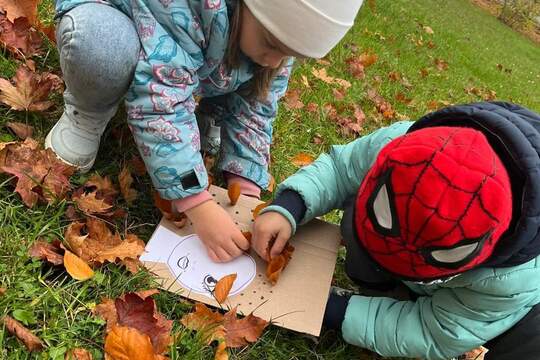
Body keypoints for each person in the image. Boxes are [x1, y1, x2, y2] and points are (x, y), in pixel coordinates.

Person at [46, 0, 365, 263]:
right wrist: (197, 204)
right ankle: (89, 109)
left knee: (248, 64)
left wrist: (246, 187)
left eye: (289, 54)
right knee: (102, 51)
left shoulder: (272, 37)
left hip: (186, 55)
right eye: (271, 45)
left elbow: (257, 106)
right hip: (110, 20)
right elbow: (161, 101)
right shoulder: (184, 8)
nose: (276, 60)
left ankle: (205, 117)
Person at [252, 102, 540, 360]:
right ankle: (379, 288)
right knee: (363, 227)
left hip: (504, 309)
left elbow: (433, 331)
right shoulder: (405, 148)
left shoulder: (513, 278)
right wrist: (289, 207)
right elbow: (341, 170)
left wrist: (333, 312)